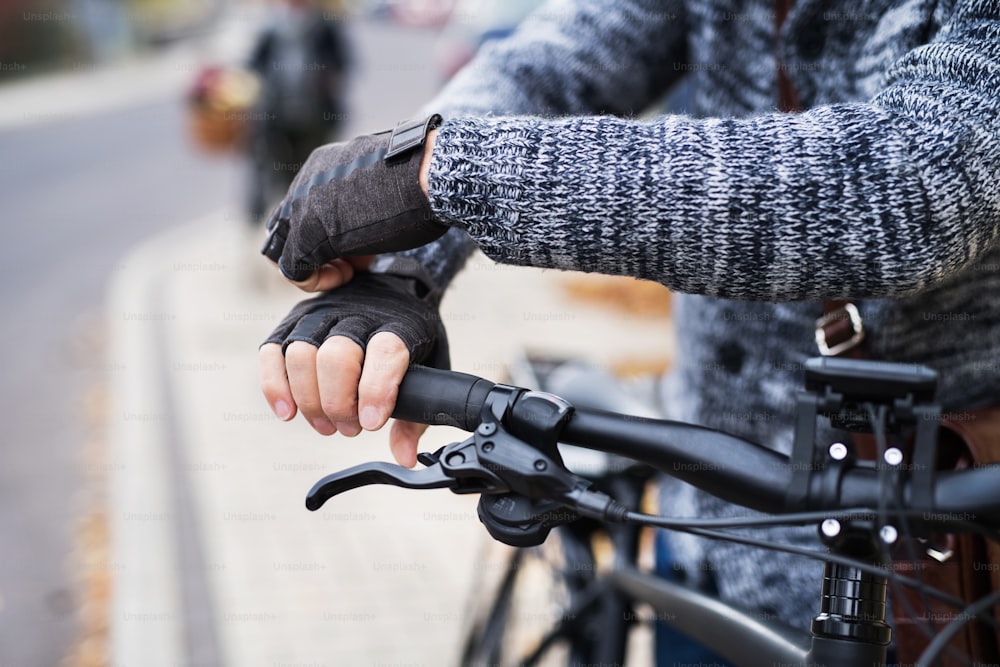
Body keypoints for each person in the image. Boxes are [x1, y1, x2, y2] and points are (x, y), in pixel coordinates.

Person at [257, 0, 1000, 660]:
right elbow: (551, 67)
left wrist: (439, 173)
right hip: (703, 542)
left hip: (940, 586)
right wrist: (400, 269)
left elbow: (918, 177)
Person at [245, 0, 351, 225]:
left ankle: (313, 222)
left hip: (316, 116)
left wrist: (327, 78)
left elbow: (344, 62)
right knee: (282, 173)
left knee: (315, 170)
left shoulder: (325, 25)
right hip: (278, 117)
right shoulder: (270, 28)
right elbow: (253, 66)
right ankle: (290, 222)